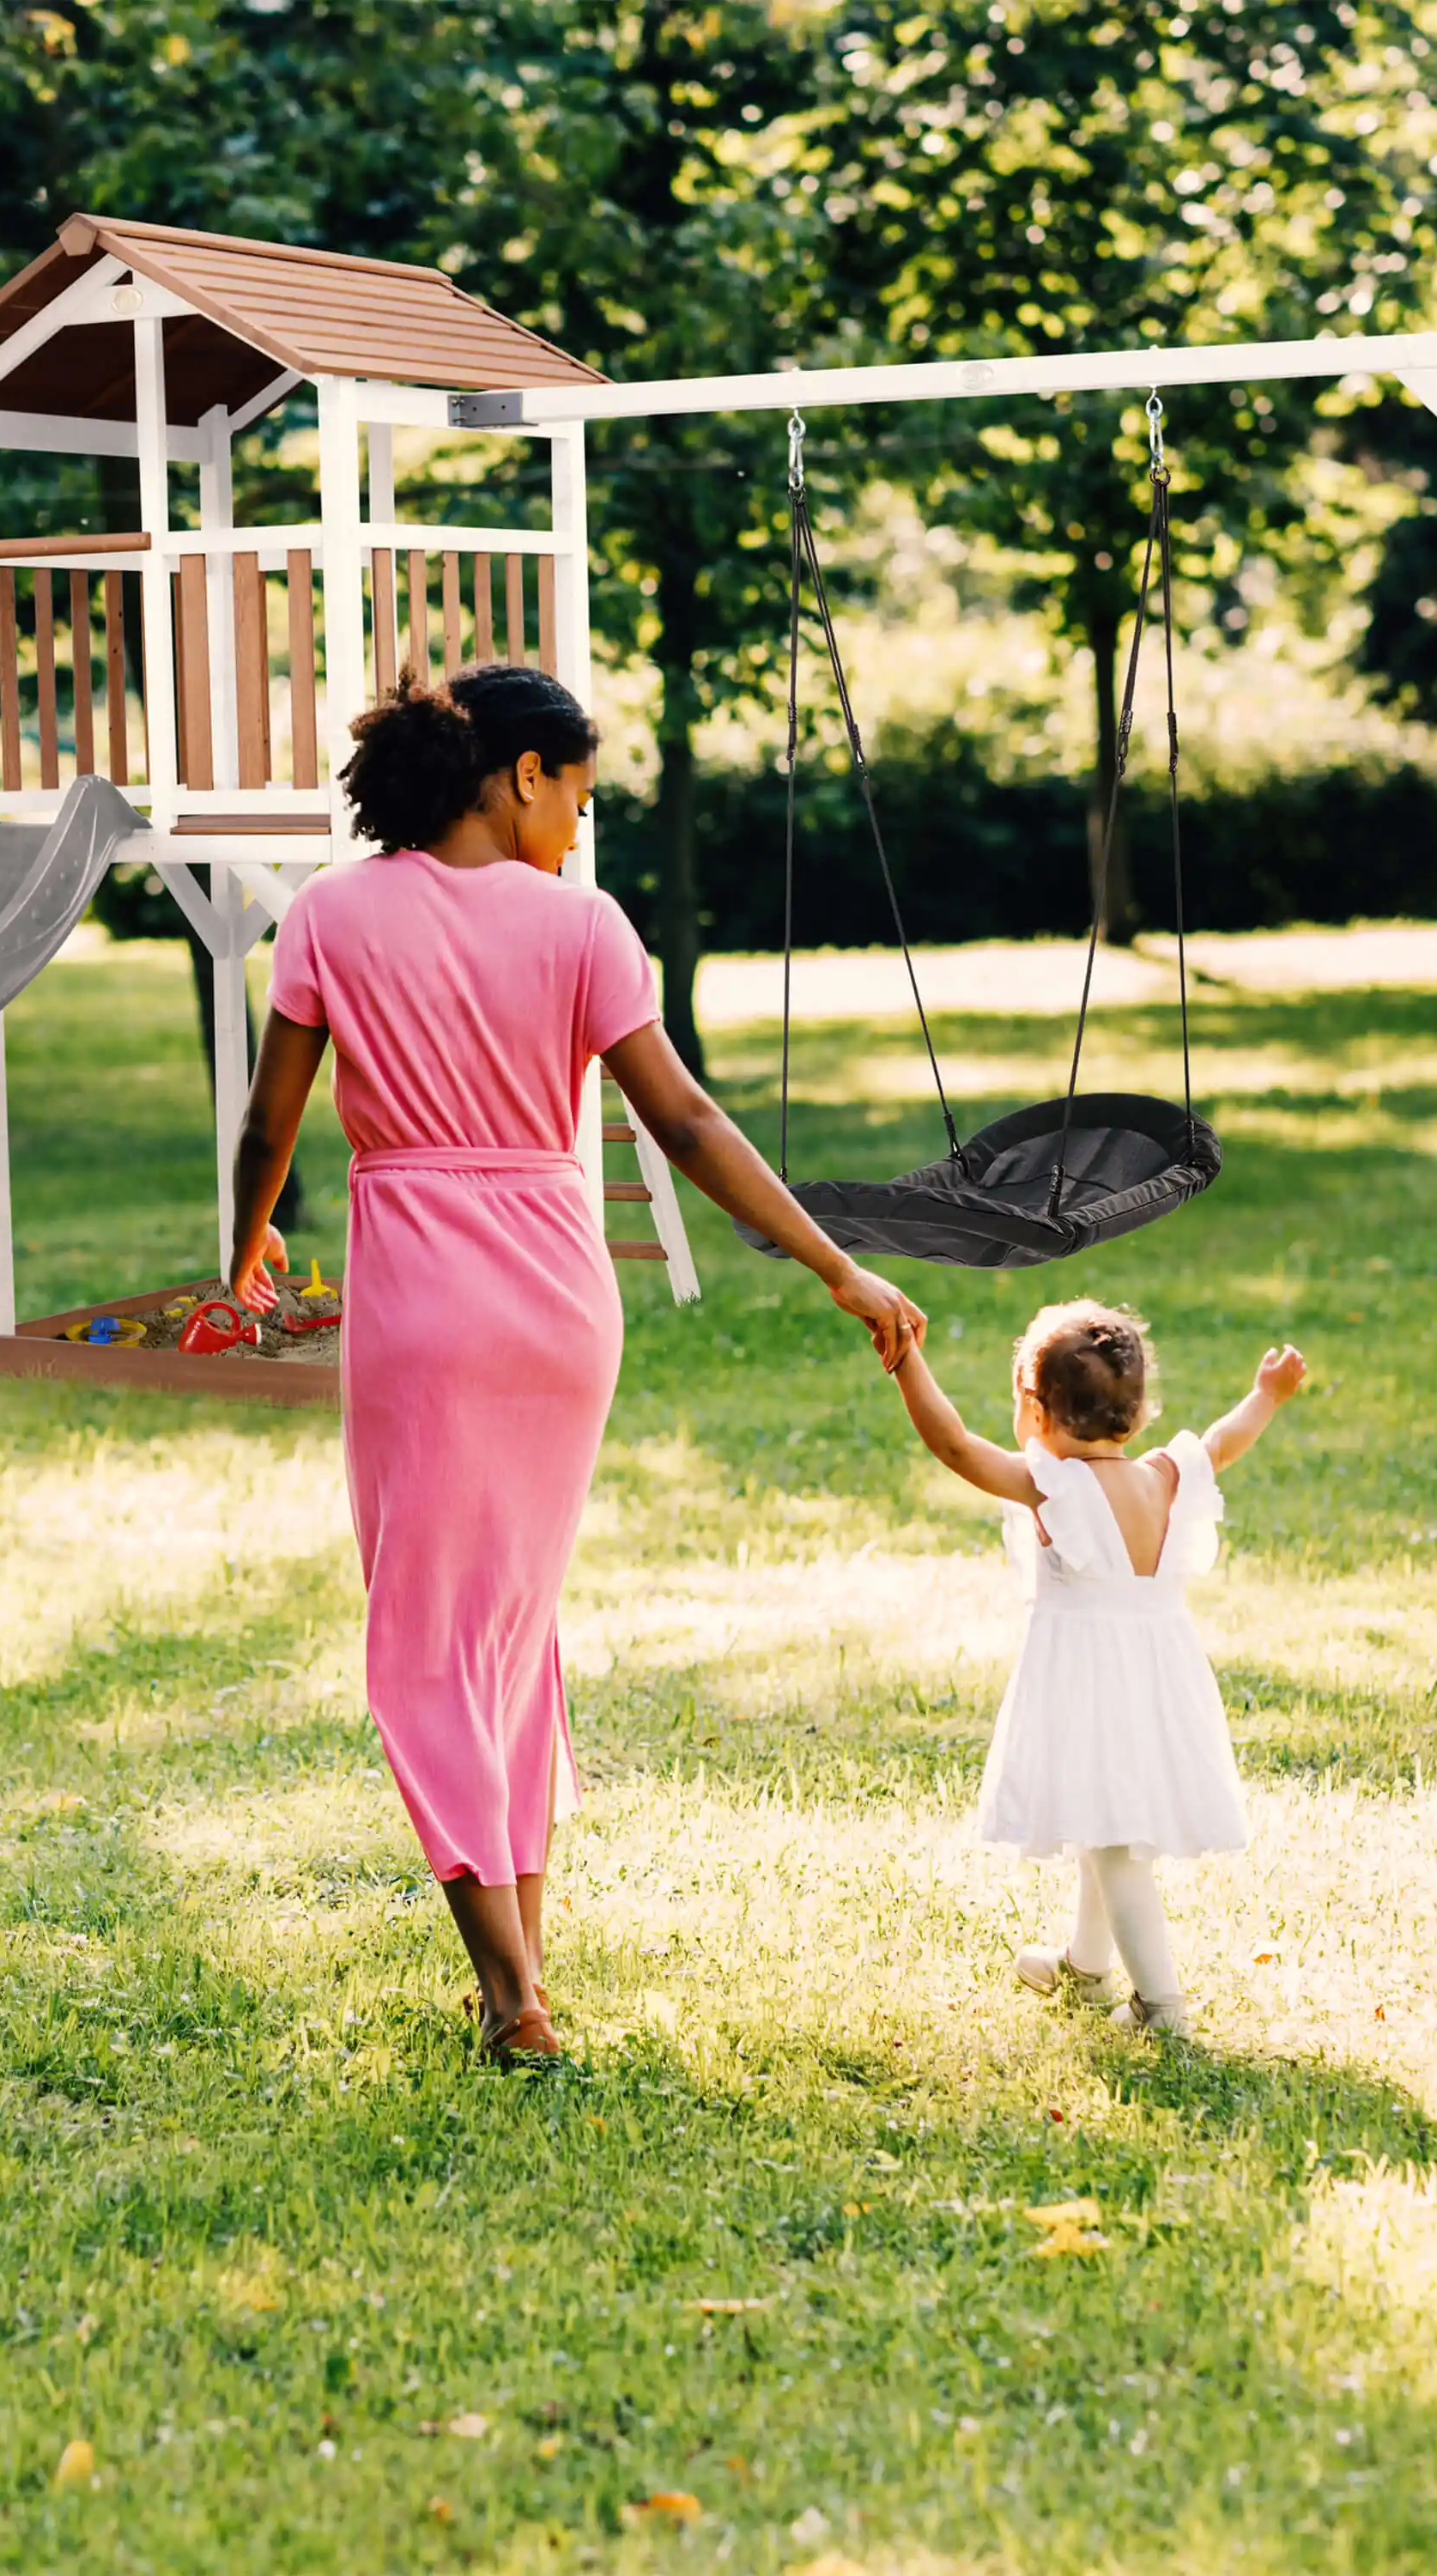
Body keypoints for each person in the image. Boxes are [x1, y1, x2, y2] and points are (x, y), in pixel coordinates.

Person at [225, 665, 926, 2065]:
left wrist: (240, 1255)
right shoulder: (585, 929)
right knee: (509, 1632)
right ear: (520, 774)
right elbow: (687, 1123)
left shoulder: (330, 915)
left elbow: (271, 1125)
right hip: (558, 1304)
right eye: (579, 798)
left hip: (422, 1303)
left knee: (428, 1643)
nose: (578, 830)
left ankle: (508, 1995)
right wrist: (835, 1262)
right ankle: (522, 1973)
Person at [885, 1300, 1308, 2037]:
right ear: (1138, 1413)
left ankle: (1161, 2006)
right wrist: (1266, 1395)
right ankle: (1085, 1968)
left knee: (1114, 1845)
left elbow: (953, 1446)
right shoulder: (1167, 1476)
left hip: (1089, 1685)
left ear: (1037, 1411)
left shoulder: (1054, 1488)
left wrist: (905, 1360)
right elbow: (1224, 1440)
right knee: (1100, 1819)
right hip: (1157, 1680)